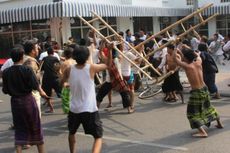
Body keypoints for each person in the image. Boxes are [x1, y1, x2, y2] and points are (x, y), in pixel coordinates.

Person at [61, 45, 112, 153]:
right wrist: (110, 50)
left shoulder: (69, 69)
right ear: (87, 56)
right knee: (98, 137)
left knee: (71, 133)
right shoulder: (91, 68)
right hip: (89, 110)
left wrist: (67, 84)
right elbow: (108, 65)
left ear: (74, 56)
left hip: (74, 109)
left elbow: (62, 82)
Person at [2, 47, 46, 153]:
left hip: (15, 103)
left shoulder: (6, 72)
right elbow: (35, 85)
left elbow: (5, 90)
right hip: (28, 100)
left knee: (20, 130)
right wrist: (42, 91)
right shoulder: (27, 69)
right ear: (22, 57)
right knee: (35, 127)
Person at [173, 47, 223, 138]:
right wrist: (186, 50)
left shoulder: (187, 66)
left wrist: (175, 50)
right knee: (208, 108)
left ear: (186, 59)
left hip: (196, 92)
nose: (182, 58)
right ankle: (219, 123)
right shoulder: (198, 62)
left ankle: (203, 132)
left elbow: (175, 60)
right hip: (204, 88)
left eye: (184, 57)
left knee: (192, 113)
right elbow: (197, 54)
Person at [41, 47, 62, 113]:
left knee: (47, 95)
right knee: (61, 94)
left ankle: (51, 109)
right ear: (53, 53)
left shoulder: (44, 59)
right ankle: (67, 107)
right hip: (55, 78)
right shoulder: (55, 59)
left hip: (46, 79)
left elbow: (41, 69)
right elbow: (58, 69)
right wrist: (61, 77)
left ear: (47, 53)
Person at [60, 47, 76, 114]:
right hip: (76, 84)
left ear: (65, 55)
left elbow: (63, 76)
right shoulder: (76, 61)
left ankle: (71, 116)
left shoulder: (64, 63)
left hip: (67, 84)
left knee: (67, 103)